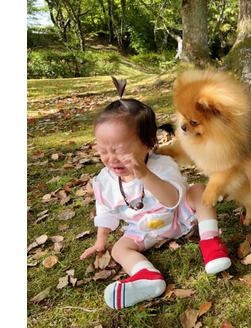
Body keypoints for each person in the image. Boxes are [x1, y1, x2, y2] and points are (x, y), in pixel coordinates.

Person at [80, 77, 231, 310]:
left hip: (178, 218)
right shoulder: (106, 180)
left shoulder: (161, 165)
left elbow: (172, 200)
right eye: (103, 151)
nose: (111, 159)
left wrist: (143, 174)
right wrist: (101, 239)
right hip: (141, 231)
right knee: (119, 249)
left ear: (148, 143)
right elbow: (106, 208)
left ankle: (211, 244)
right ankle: (146, 277)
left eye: (119, 150)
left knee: (200, 191)